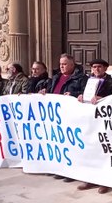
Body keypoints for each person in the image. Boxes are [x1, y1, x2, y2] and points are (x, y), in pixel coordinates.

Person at [76, 58, 112, 194]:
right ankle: (90, 179)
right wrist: (80, 96)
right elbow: (80, 92)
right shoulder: (87, 81)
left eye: (99, 67)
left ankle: (105, 182)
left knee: (103, 151)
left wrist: (102, 99)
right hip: (89, 120)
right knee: (90, 150)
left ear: (105, 68)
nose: (96, 69)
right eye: (94, 67)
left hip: (104, 122)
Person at [44, 53, 88, 182]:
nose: (61, 67)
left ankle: (71, 171)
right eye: (60, 64)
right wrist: (45, 92)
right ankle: (59, 168)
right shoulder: (56, 77)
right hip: (55, 116)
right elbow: (50, 90)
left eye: (64, 64)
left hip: (71, 117)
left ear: (72, 64)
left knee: (71, 145)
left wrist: (73, 94)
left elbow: (86, 94)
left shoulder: (81, 78)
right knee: (58, 143)